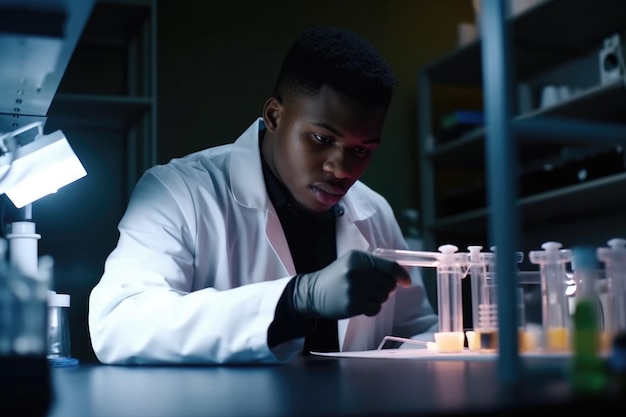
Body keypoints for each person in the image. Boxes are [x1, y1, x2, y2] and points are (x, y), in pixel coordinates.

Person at [88, 26, 438, 365]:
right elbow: (119, 324)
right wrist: (296, 299)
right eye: (322, 139)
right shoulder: (178, 191)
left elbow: (417, 331)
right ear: (274, 115)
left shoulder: (374, 211)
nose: (342, 169)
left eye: (362, 151)